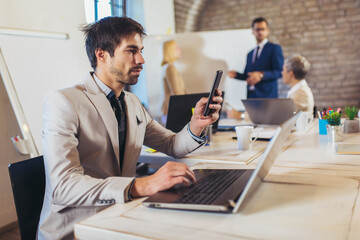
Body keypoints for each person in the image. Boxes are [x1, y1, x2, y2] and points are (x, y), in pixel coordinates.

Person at [37, 17, 223, 240]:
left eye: (141, 51)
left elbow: (172, 145)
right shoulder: (63, 101)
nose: (141, 59)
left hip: (120, 215)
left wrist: (196, 125)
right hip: (75, 229)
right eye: (131, 51)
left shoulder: (132, 103)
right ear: (101, 54)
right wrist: (141, 185)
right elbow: (63, 186)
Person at [228, 17, 283, 98]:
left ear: (267, 30)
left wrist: (261, 75)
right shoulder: (250, 53)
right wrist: (237, 75)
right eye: (257, 29)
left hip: (267, 96)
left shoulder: (274, 48)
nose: (260, 32)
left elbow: (279, 72)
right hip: (251, 96)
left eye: (263, 29)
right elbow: (248, 75)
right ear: (253, 31)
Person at [161, 40, 186, 124]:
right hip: (172, 111)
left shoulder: (169, 67)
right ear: (171, 51)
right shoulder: (170, 68)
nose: (180, 49)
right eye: (176, 48)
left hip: (171, 111)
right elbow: (177, 92)